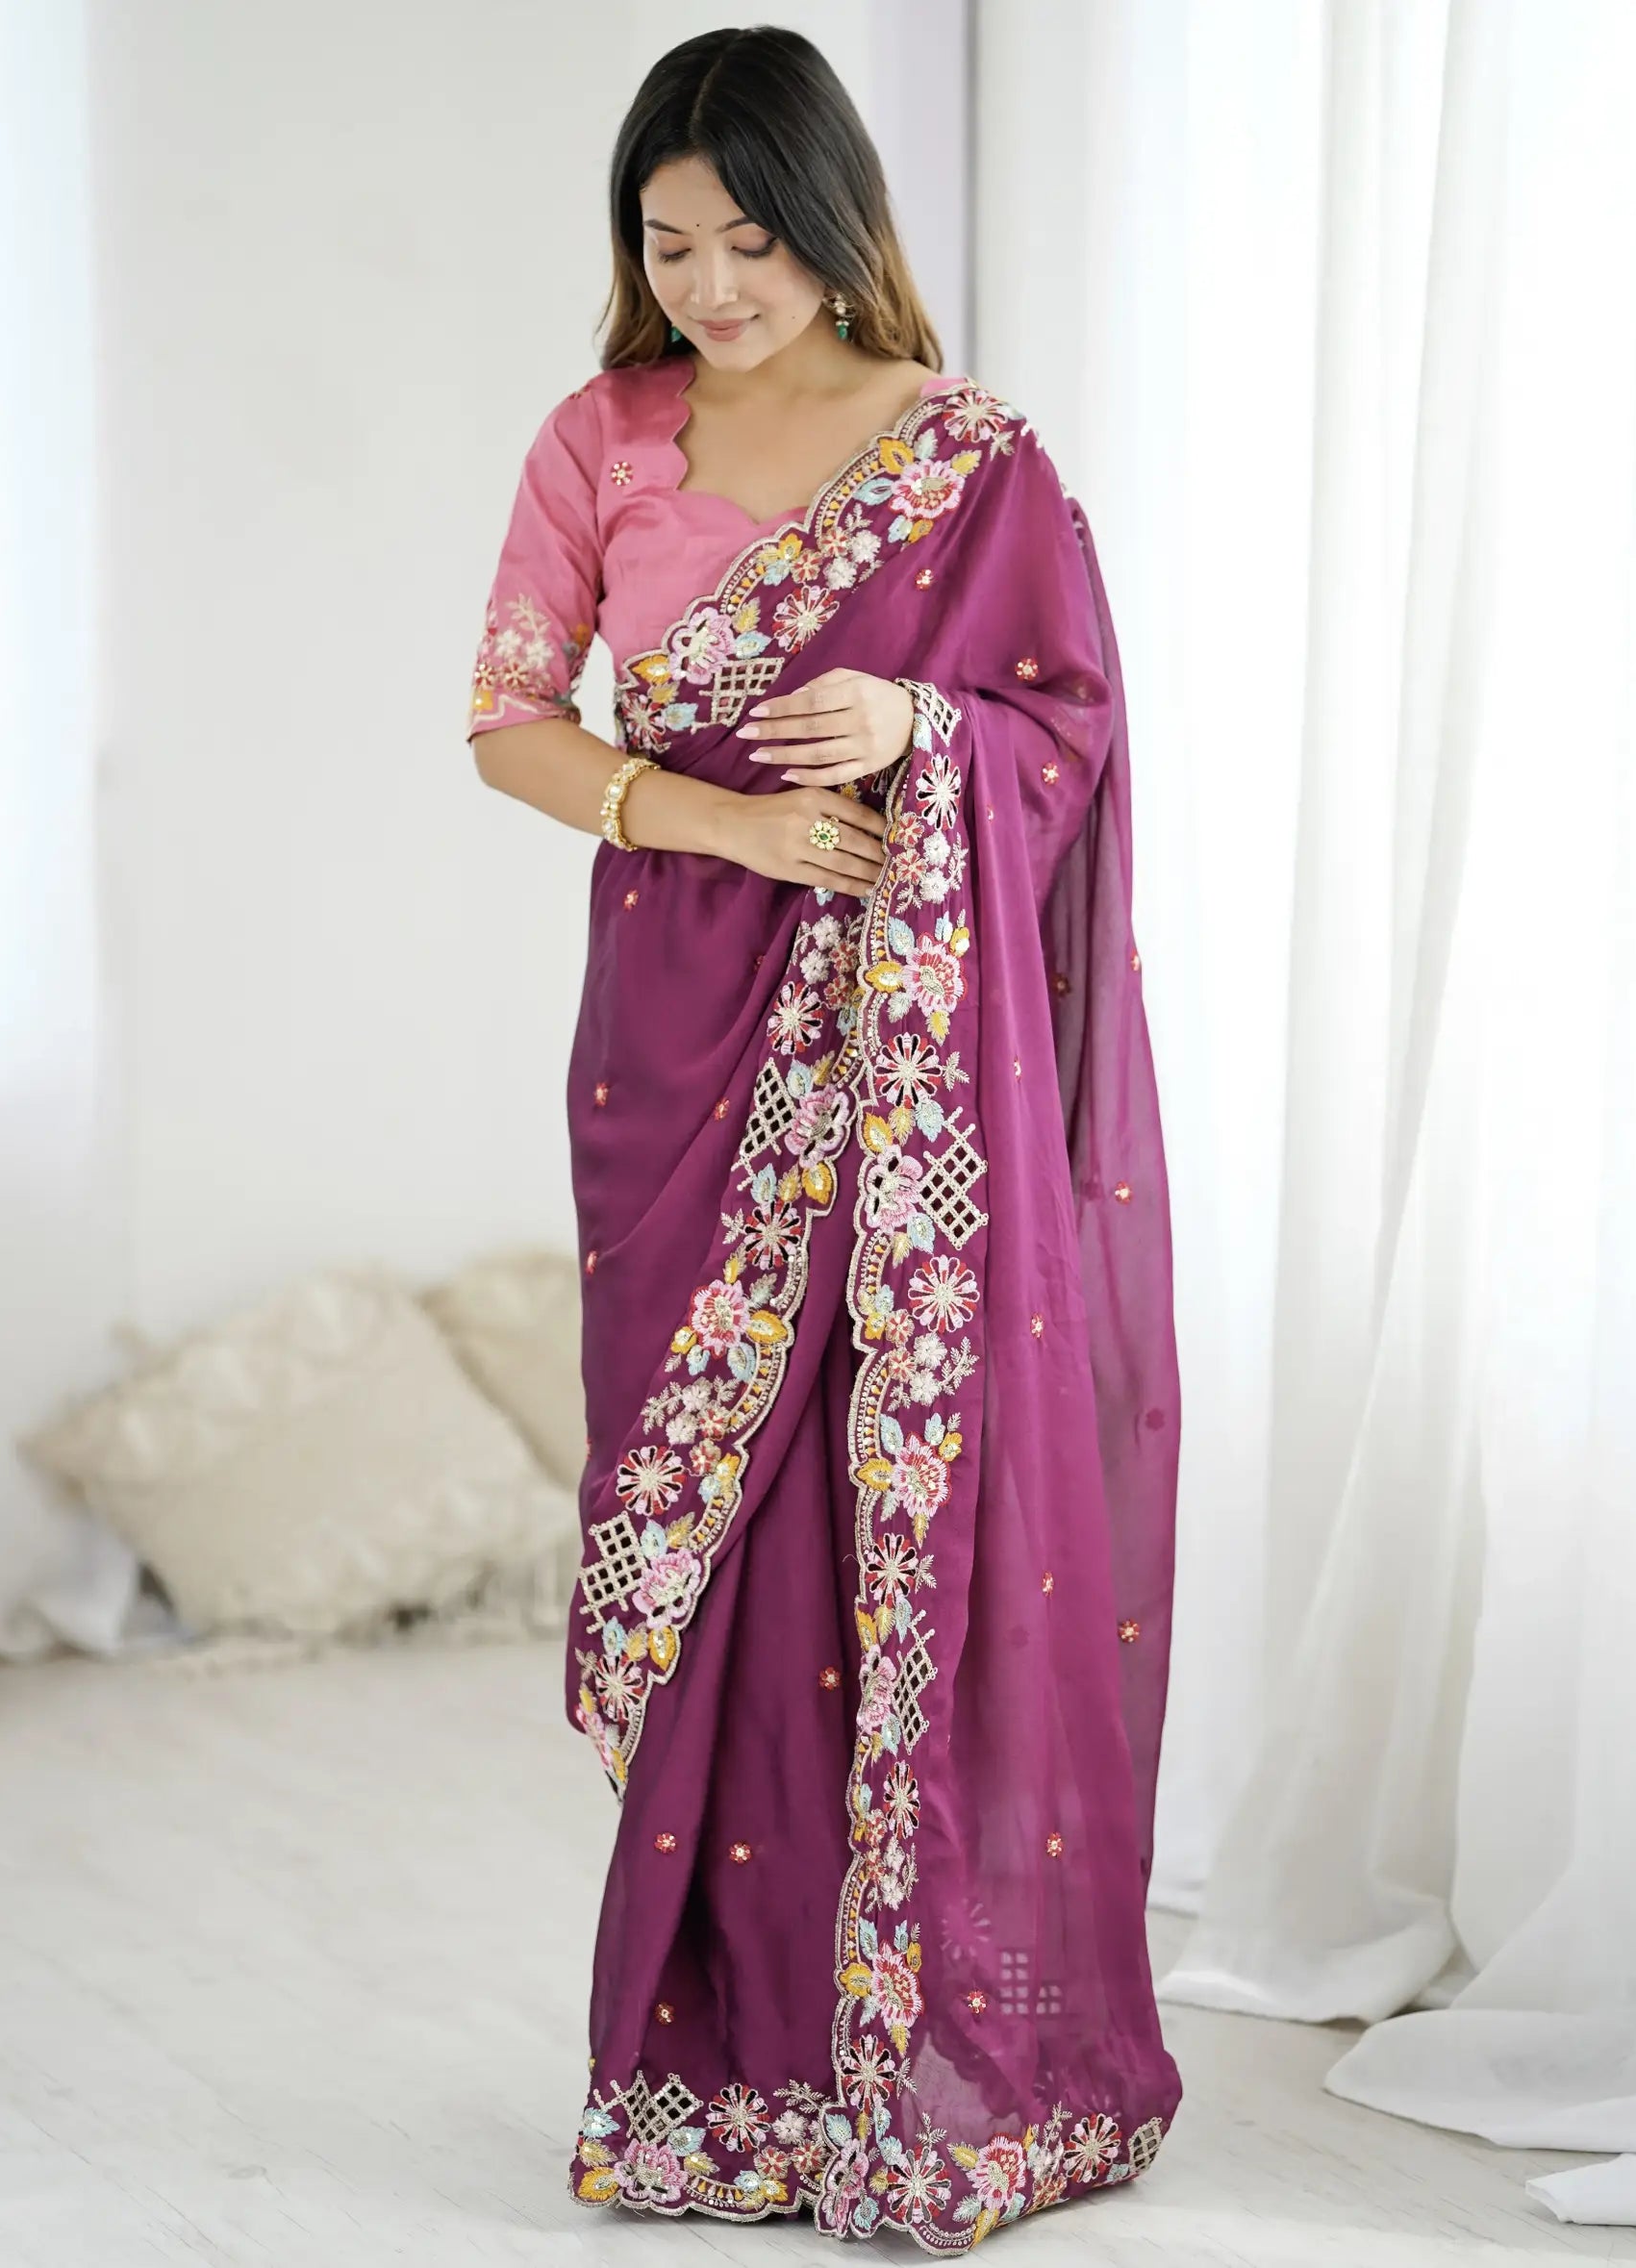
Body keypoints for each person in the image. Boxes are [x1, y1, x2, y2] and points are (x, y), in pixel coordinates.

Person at [464, 25, 1183, 2251]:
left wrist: (920, 723)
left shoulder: (965, 452)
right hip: (681, 1031)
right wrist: (716, 821)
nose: (711, 288)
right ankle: (727, 2083)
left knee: (914, 1520)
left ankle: (944, 2068)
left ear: (834, 216)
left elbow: (1066, 720)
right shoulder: (606, 436)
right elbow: (507, 720)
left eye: (750, 242)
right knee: (721, 1558)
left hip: (909, 1063)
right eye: (669, 245)